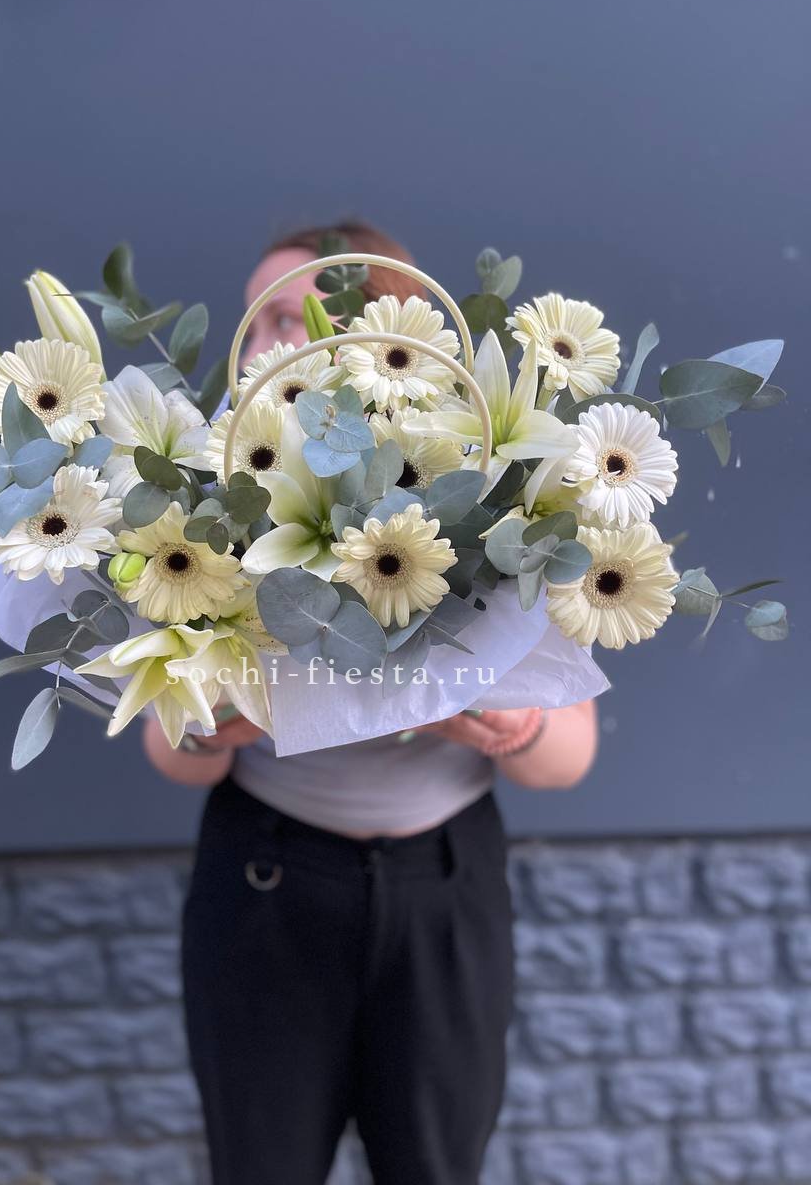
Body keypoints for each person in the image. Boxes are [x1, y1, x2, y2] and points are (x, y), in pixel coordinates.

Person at [143, 221, 598, 1185]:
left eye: (296, 316)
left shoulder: (495, 491)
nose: (271, 343)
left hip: (445, 888)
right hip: (265, 881)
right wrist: (220, 719)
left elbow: (568, 760)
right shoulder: (210, 496)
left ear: (389, 334)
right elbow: (172, 757)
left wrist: (509, 723)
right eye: (258, 319)